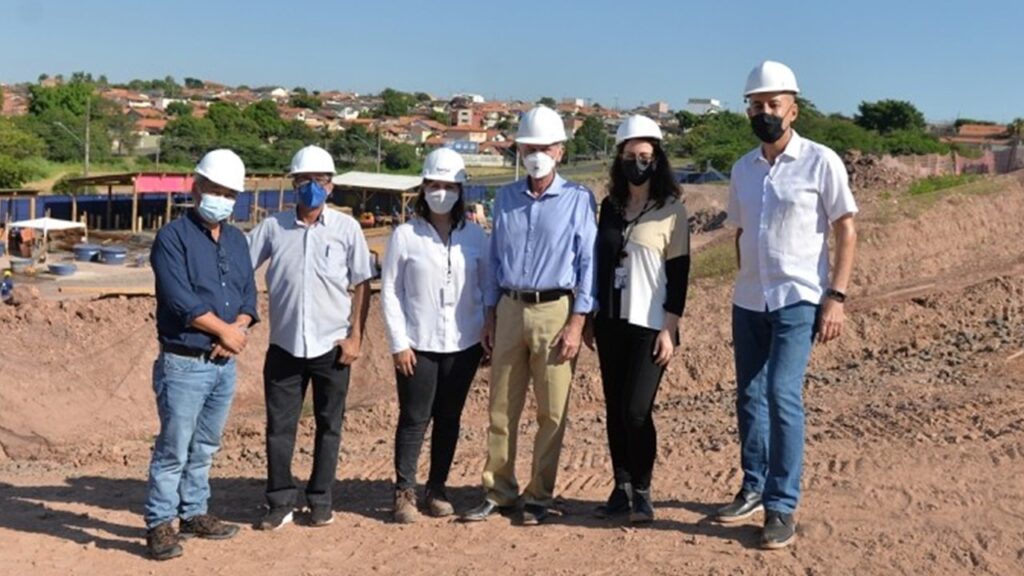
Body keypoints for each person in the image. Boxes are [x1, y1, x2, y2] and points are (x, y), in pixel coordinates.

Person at [715, 61, 858, 550]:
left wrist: (835, 296)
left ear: (793, 110)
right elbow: (737, 231)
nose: (764, 112)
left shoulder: (821, 161)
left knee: (781, 394)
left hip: (799, 299)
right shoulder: (742, 169)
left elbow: (846, 228)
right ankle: (753, 485)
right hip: (749, 299)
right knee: (748, 397)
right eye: (756, 105)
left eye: (773, 104)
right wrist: (743, 275)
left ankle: (782, 504)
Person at [461, 105, 597, 526]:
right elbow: (494, 258)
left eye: (544, 147)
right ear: (519, 150)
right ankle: (498, 491)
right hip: (509, 307)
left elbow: (589, 264)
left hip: (556, 310)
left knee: (552, 411)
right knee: (501, 408)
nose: (536, 154)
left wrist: (578, 321)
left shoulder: (578, 200)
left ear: (559, 151)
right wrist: (489, 314)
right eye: (528, 147)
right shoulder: (505, 198)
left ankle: (539, 495)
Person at [247, 145, 374, 530]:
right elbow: (239, 266)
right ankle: (279, 501)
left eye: (320, 180)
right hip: (285, 345)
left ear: (331, 186)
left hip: (332, 347)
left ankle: (321, 499)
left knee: (329, 425)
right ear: (293, 184)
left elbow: (363, 284)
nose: (312, 187)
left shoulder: (346, 229)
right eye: (305, 180)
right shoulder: (273, 228)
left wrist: (356, 338)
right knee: (279, 428)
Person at [145, 149, 258, 561]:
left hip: (223, 363)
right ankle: (160, 522)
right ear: (197, 187)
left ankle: (194, 512)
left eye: (230, 193)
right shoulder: (172, 238)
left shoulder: (236, 238)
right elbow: (180, 300)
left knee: (206, 444)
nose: (222, 199)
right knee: (174, 447)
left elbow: (248, 293)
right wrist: (224, 330)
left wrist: (236, 330)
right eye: (215, 190)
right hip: (184, 362)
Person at [381, 148, 488, 523]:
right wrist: (399, 342)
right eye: (434, 185)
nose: (441, 192)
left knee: (449, 418)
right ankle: (404, 491)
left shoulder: (475, 236)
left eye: (449, 185)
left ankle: (437, 489)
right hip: (417, 344)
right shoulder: (405, 235)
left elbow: (486, 287)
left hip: (463, 345)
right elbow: (391, 291)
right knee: (414, 418)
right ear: (423, 187)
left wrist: (486, 328)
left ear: (461, 190)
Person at [592, 115, 690, 524]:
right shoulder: (610, 208)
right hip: (611, 320)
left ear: (657, 158)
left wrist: (670, 328)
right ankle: (622, 486)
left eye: (646, 155)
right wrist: (592, 317)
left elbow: (680, 274)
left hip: (651, 325)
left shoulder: (672, 211)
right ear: (620, 159)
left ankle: (644, 489)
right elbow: (599, 263)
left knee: (636, 410)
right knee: (614, 408)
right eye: (631, 155)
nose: (638, 162)